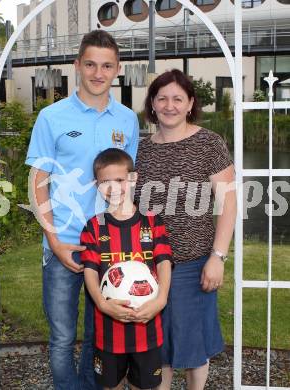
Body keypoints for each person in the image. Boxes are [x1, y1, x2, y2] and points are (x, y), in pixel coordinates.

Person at [25, 30, 139, 390]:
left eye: (106, 66)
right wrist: (55, 242)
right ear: (77, 66)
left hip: (107, 247)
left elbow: (126, 183)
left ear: (117, 70)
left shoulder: (127, 120)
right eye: (90, 64)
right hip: (64, 246)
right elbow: (38, 181)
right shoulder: (51, 116)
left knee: (97, 338)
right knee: (61, 338)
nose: (97, 73)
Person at [134, 69, 237, 390]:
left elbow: (229, 204)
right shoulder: (141, 149)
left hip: (193, 265)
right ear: (152, 103)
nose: (169, 105)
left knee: (194, 348)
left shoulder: (208, 143)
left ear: (190, 103)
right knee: (157, 349)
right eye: (162, 98)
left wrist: (218, 256)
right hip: (147, 267)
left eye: (178, 98)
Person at [80, 148, 172, 390]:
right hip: (109, 334)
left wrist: (161, 299)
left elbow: (163, 263)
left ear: (133, 178)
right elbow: (89, 270)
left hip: (147, 328)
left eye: (119, 180)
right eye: (105, 182)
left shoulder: (152, 222)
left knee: (146, 386)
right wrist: (101, 303)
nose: (113, 188)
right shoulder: (93, 227)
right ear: (96, 185)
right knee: (110, 386)